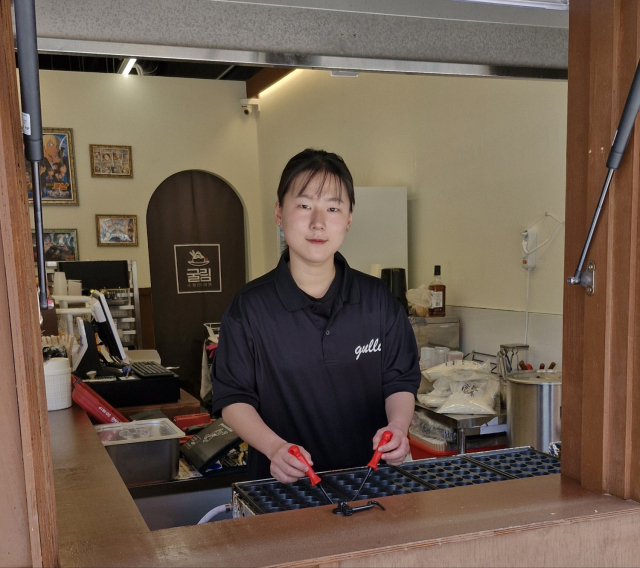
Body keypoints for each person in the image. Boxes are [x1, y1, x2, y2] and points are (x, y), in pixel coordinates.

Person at [211, 149, 420, 482]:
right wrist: (274, 447)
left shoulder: (377, 300)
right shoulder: (249, 308)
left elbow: (399, 380)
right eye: (304, 205)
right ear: (279, 213)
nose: (318, 223)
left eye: (333, 208)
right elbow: (233, 398)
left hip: (371, 485)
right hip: (282, 488)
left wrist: (397, 427)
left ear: (349, 219)